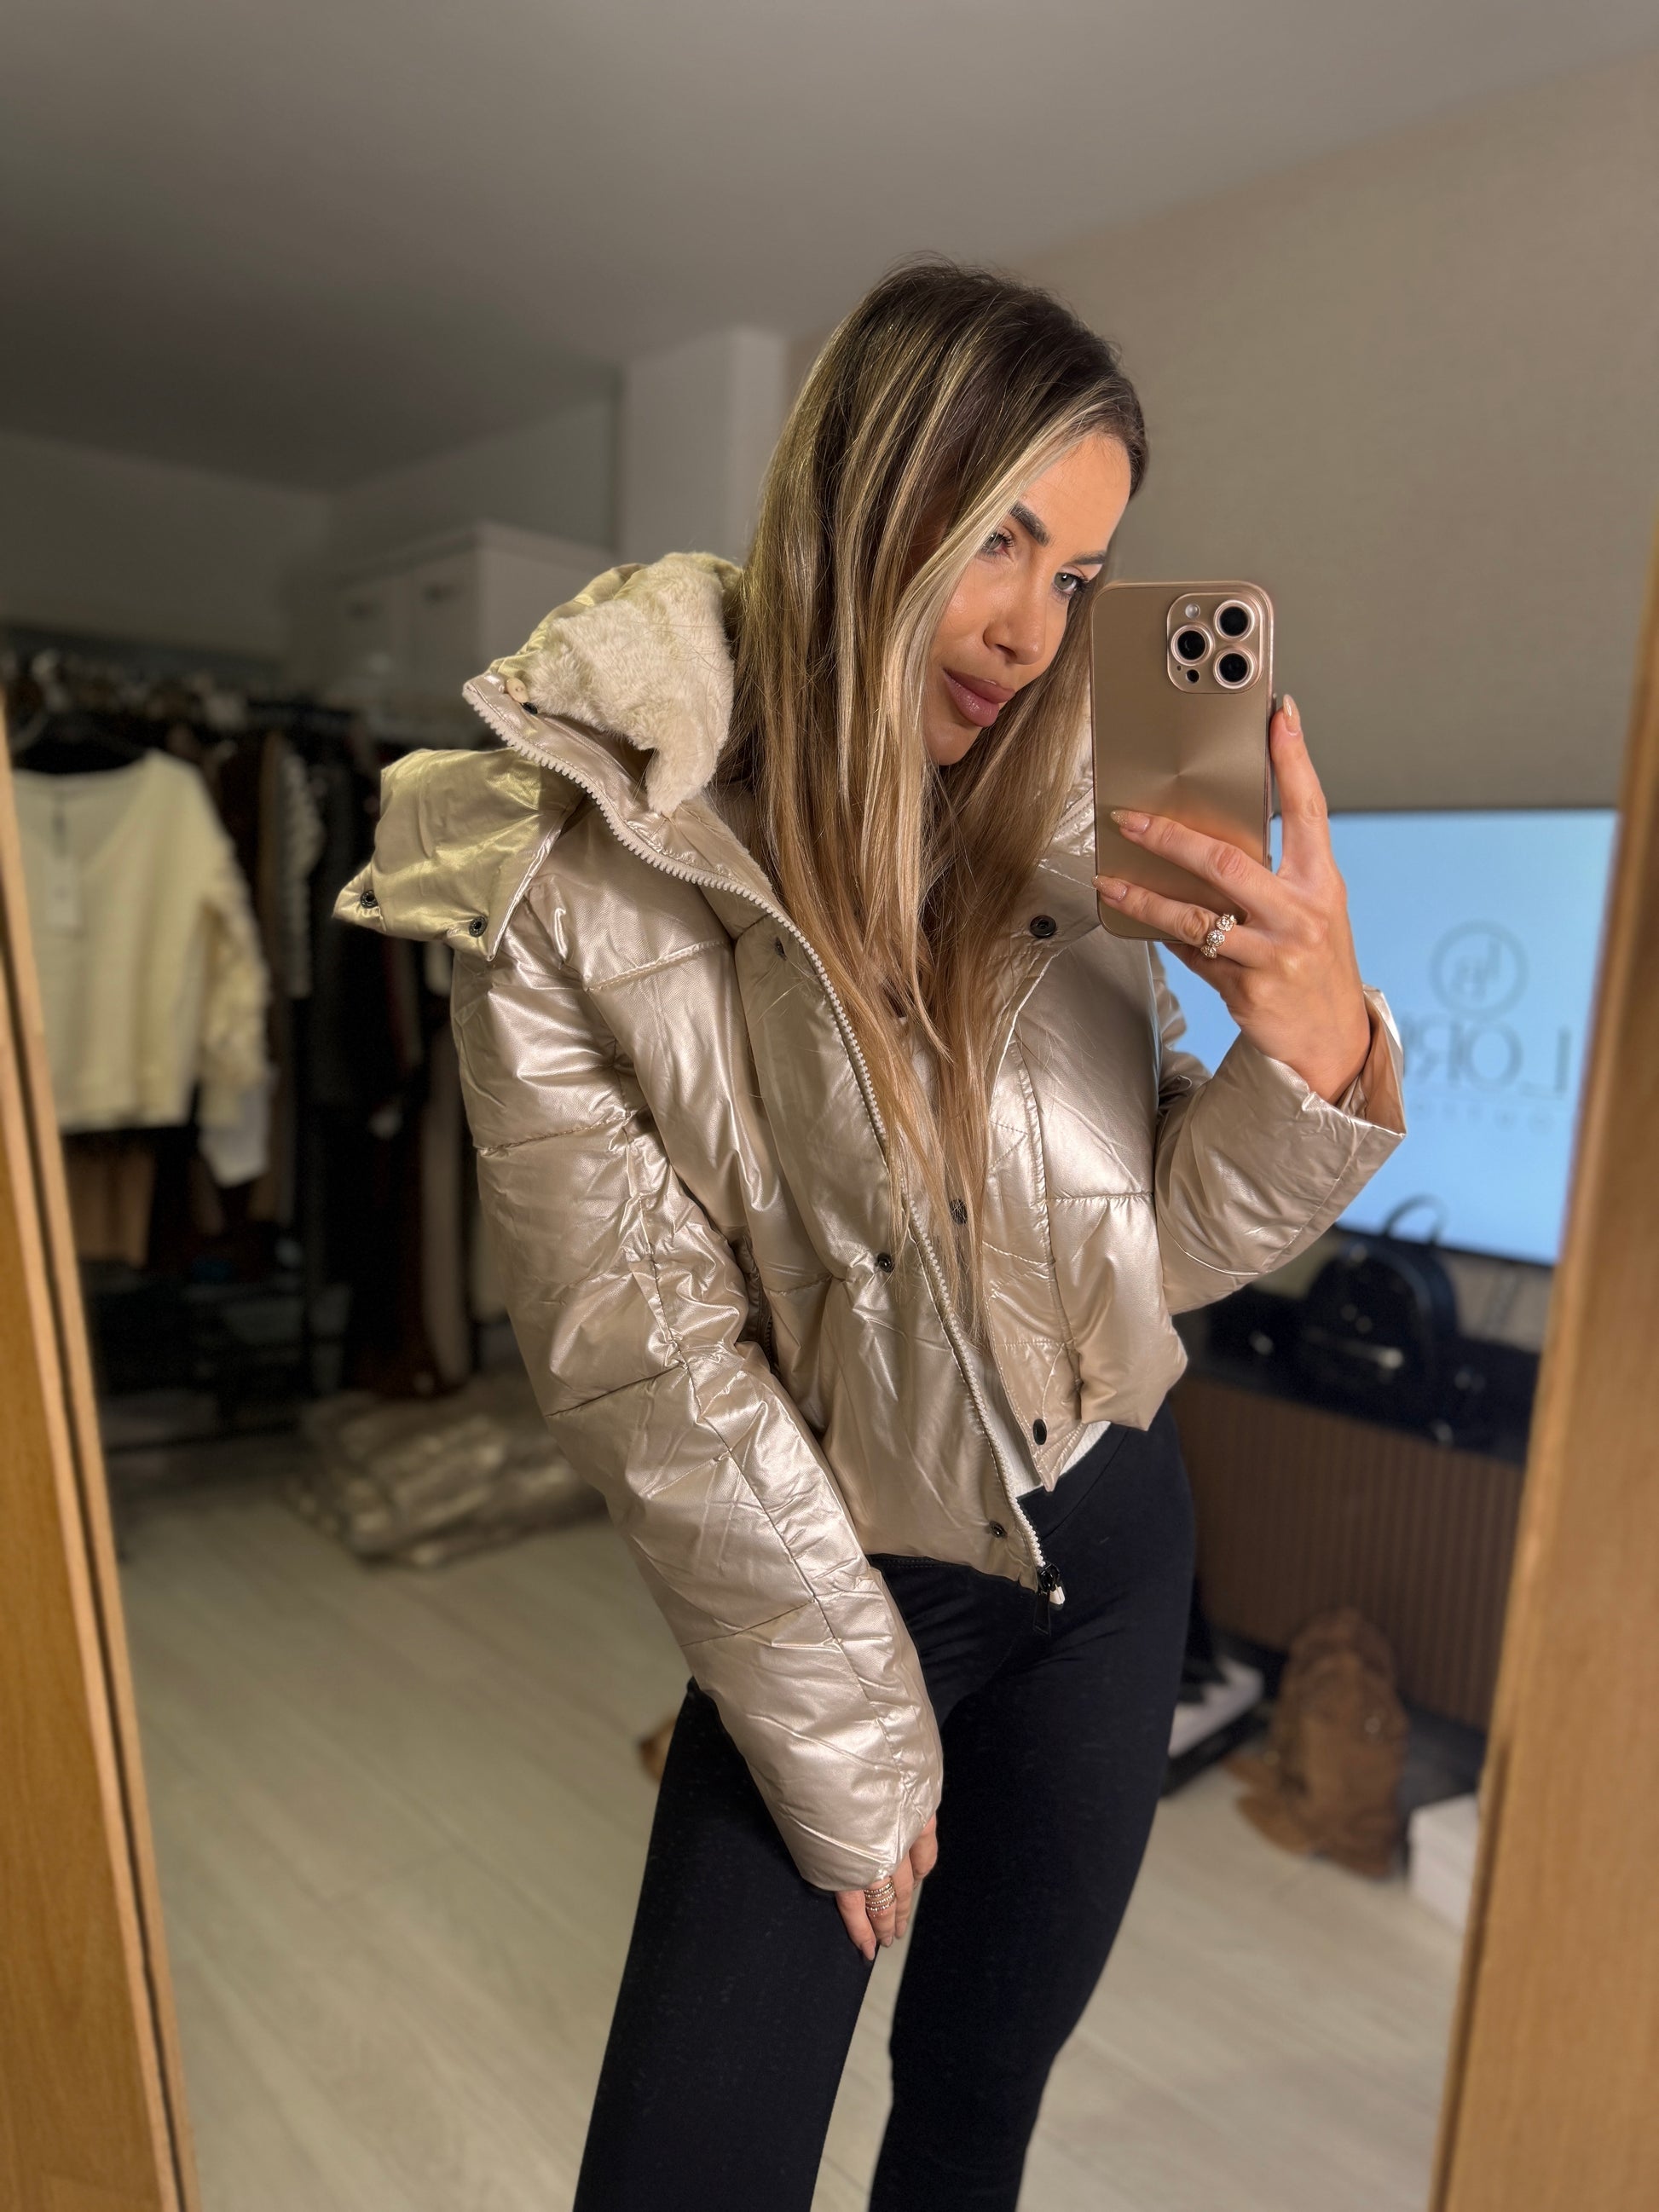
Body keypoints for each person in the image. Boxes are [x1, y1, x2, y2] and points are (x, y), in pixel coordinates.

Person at [339, 260, 1404, 2210]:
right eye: (996, 534)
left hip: (1115, 1534)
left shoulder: (1065, 814)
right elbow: (641, 1354)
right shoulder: (574, 859)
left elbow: (1144, 1256)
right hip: (835, 1573)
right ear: (858, 486)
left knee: (973, 2110)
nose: (1029, 628)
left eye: (1081, 575)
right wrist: (837, 1718)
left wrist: (1311, 1055)